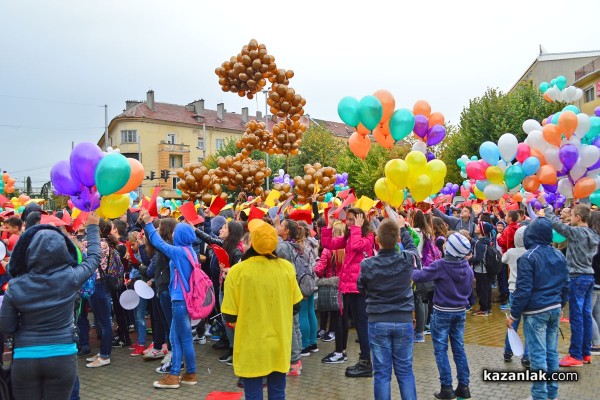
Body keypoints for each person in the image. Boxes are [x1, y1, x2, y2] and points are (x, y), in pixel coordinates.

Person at [0, 212, 101, 400]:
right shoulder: (71, 277)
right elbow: (94, 258)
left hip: (25, 356)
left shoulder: (15, 285)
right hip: (62, 355)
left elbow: (7, 326)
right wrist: (93, 228)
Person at [222, 219, 303, 400]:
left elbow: (228, 315)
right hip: (279, 343)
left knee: (252, 394)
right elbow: (296, 306)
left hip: (251, 345)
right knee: (278, 393)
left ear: (251, 242)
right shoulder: (286, 269)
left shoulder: (237, 272)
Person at [507, 216, 569, 400]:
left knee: (538, 356)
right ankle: (552, 394)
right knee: (551, 353)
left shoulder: (528, 257)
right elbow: (566, 283)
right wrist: (562, 304)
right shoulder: (558, 254)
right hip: (554, 308)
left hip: (536, 313)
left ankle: (540, 396)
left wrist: (513, 314)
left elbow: (523, 289)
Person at [357, 216, 418, 400]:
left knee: (382, 374)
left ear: (377, 240)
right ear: (398, 239)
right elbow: (414, 250)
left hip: (378, 321)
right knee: (405, 372)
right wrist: (404, 229)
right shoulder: (406, 259)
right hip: (403, 321)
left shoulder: (367, 265)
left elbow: (361, 288)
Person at [140, 209, 198, 389]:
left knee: (177, 339)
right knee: (183, 339)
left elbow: (158, 243)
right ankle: (190, 374)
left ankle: (174, 376)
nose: (172, 234)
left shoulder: (179, 252)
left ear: (180, 236)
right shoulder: (190, 251)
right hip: (184, 301)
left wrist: (149, 224)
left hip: (179, 302)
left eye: (175, 232)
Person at [412, 232, 474, 400]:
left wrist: (410, 266)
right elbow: (468, 292)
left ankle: (446, 388)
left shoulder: (441, 265)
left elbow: (418, 276)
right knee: (459, 349)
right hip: (460, 312)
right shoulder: (467, 268)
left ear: (450, 249)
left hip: (442, 312)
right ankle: (464, 386)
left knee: (441, 350)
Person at [540, 198, 600, 367]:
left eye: (572, 215)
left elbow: (555, 224)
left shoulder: (577, 232)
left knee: (576, 317)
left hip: (577, 277)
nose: (570, 218)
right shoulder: (594, 234)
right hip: (589, 276)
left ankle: (575, 355)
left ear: (579, 217)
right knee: (586, 315)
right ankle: (585, 352)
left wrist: (546, 205)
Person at [320, 208, 375, 377]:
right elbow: (329, 244)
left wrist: (357, 228)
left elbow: (358, 247)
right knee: (356, 323)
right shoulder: (350, 235)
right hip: (348, 287)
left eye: (353, 220)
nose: (349, 223)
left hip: (358, 288)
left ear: (360, 220)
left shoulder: (368, 236)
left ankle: (366, 362)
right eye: (348, 220)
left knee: (361, 324)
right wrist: (328, 227)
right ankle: (362, 359)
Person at [502, 226, 529, 367]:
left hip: (514, 290)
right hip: (529, 291)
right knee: (528, 325)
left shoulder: (511, 252)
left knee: (513, 322)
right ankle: (527, 356)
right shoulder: (531, 252)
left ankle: (508, 351)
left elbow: (503, 259)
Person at [470, 222, 494, 317]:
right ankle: (488, 308)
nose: (476, 227)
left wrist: (470, 259)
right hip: (487, 269)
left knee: (482, 290)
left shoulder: (480, 243)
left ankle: (484, 309)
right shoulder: (486, 240)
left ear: (482, 230)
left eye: (479, 227)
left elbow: (478, 258)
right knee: (487, 289)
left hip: (481, 270)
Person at [589, 211, 600, 355]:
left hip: (593, 279)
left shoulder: (593, 240)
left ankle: (596, 343)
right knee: (597, 312)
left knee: (587, 312)